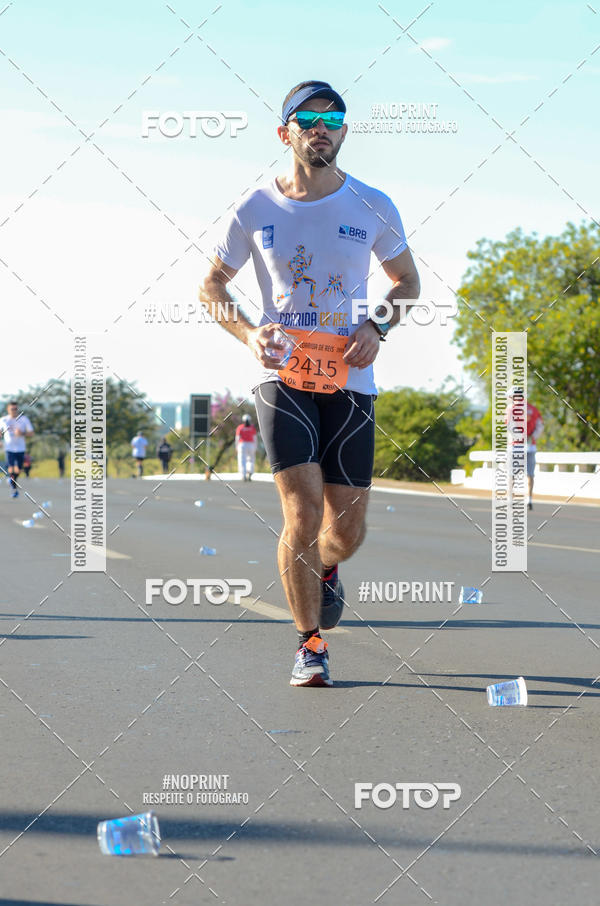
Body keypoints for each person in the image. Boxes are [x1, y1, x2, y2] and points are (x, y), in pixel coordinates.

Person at [200, 80, 419, 687]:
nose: (321, 126)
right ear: (285, 132)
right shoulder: (255, 207)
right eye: (308, 118)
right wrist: (249, 336)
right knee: (301, 511)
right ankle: (310, 644)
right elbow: (211, 287)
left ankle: (326, 568)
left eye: (334, 118)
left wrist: (378, 325)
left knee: (344, 532)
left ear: (345, 132)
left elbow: (407, 284)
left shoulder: (372, 204)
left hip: (353, 379)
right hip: (284, 379)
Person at [0, 401, 34, 498]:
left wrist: (22, 433)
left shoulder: (24, 419)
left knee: (18, 470)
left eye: (15, 409)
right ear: (8, 410)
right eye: (12, 409)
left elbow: (31, 433)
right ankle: (14, 489)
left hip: (20, 448)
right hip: (9, 448)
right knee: (11, 467)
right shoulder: (3, 420)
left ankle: (12, 480)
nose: (14, 411)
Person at [526, 401, 543, 509]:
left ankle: (511, 500)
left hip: (515, 446)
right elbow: (540, 426)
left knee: (512, 475)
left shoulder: (511, 409)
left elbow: (507, 425)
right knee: (530, 475)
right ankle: (529, 500)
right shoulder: (534, 409)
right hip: (530, 445)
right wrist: (533, 437)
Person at [235, 415, 258, 481]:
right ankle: (250, 472)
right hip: (251, 445)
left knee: (242, 460)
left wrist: (236, 447)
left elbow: (237, 438)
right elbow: (255, 439)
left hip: (242, 445)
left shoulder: (240, 427)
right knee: (251, 460)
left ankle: (243, 475)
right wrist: (255, 447)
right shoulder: (252, 428)